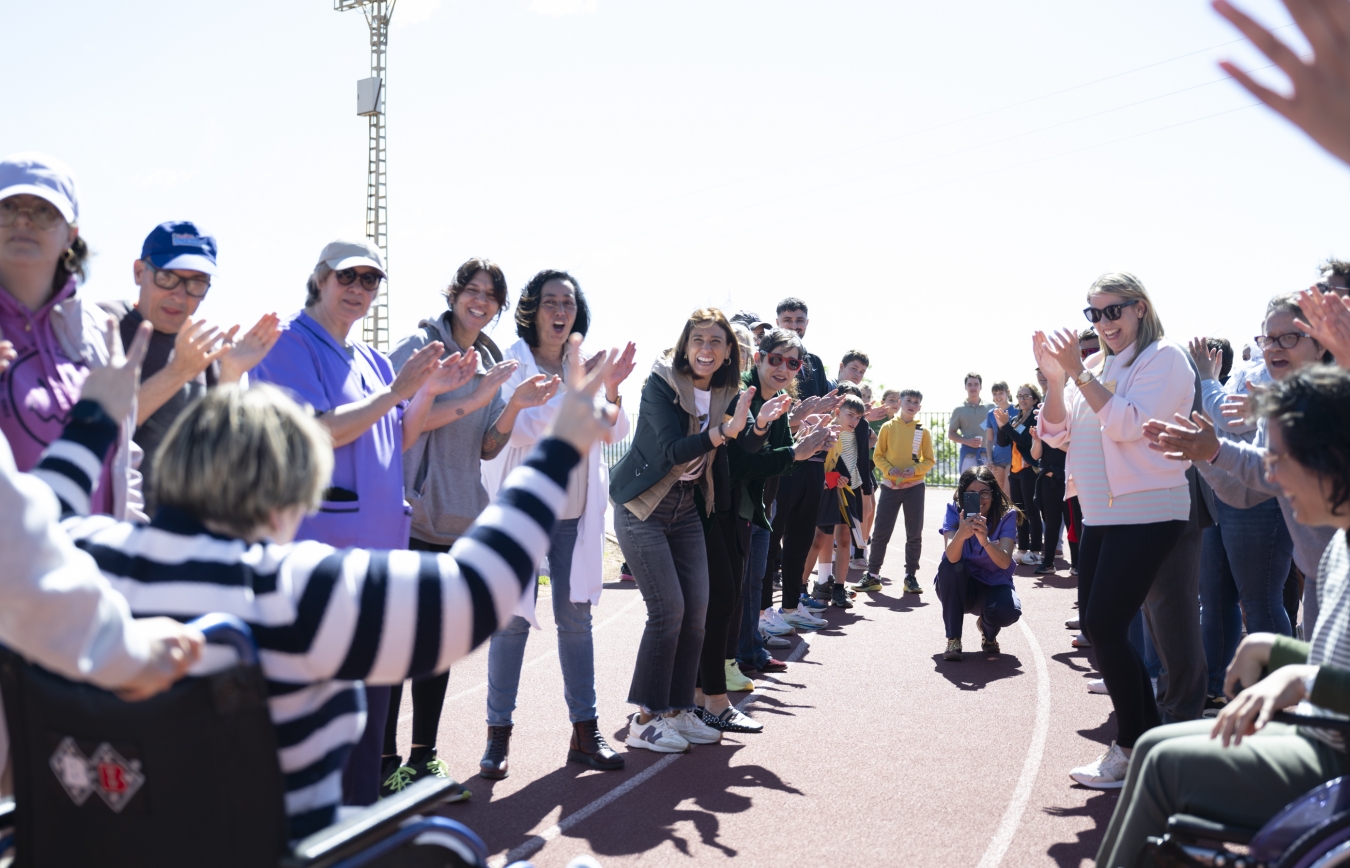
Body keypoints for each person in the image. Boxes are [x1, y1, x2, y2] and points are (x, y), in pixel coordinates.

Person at [35, 337, 620, 843]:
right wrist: (560, 446)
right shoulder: (299, 593)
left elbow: (43, 504)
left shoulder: (79, 557)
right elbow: (476, 591)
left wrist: (95, 417)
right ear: (292, 494)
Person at [1096, 364, 1350, 868]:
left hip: (1334, 754)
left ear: (1332, 457)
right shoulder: (1338, 542)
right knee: (1151, 746)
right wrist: (1281, 650)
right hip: (1322, 730)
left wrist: (1302, 677)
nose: (1270, 474)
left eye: (1280, 457)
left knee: (1167, 763)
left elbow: (1326, 681)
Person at [250, 240, 476, 806]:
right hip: (321, 563)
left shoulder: (372, 361)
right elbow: (320, 430)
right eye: (346, 277)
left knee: (369, 720)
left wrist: (426, 393)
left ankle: (360, 828)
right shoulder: (287, 346)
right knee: (318, 723)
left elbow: (397, 437)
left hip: (378, 561)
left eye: (370, 281)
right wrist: (400, 392)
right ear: (320, 279)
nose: (358, 290)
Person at [0, 321, 204, 796]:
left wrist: (95, 420)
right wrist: (132, 651)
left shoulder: (89, 329)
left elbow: (28, 517)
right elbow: (20, 553)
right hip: (63, 634)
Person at [380, 258, 556, 793]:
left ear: (499, 308)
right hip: (406, 517)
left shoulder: (492, 362)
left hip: (456, 522)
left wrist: (512, 406)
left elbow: (487, 446)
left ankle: (424, 759)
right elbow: (389, 423)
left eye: (490, 295)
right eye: (471, 290)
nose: (480, 301)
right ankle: (384, 761)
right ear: (453, 293)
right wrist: (476, 398)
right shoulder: (419, 347)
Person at [1035, 271, 1197, 789]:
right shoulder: (1099, 368)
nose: (1105, 323)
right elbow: (1055, 433)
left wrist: (1079, 374)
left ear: (1140, 309)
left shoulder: (1165, 358)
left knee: (1107, 628)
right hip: (1101, 513)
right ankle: (1146, 744)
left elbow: (1128, 424)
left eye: (1114, 311)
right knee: (1099, 629)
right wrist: (1057, 380)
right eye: (1095, 313)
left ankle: (1132, 746)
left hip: (1151, 510)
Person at [476, 270, 635, 778]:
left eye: (567, 302)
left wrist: (606, 389)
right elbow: (512, 428)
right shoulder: (511, 363)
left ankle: (585, 734)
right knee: (511, 623)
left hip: (574, 515)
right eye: (549, 302)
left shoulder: (583, 367)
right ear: (532, 309)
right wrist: (577, 401)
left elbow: (614, 426)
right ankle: (497, 737)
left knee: (576, 623)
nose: (559, 311)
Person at [609, 308, 754, 753]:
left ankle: (678, 709)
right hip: (642, 507)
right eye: (698, 340)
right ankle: (646, 718)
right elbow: (672, 449)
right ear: (685, 345)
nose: (706, 349)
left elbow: (738, 444)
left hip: (687, 507)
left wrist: (755, 426)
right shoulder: (661, 384)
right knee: (668, 611)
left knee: (697, 612)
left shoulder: (729, 390)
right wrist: (722, 433)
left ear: (729, 350)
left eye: (716, 341)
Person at [99, 221, 280, 513]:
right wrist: (178, 372)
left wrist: (232, 373)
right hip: (109, 524)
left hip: (180, 529)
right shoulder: (101, 325)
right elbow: (94, 427)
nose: (180, 295)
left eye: (196, 283)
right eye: (166, 277)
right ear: (139, 272)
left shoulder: (206, 350)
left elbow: (218, 455)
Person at [0, 153, 142, 520]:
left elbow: (124, 464)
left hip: (92, 569)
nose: (23, 220)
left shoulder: (99, 330)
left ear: (71, 234)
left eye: (44, 211)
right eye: (8, 206)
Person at [736, 329, 831, 674]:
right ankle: (728, 660)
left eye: (791, 363)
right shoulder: (743, 394)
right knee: (736, 585)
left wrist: (807, 442)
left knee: (754, 580)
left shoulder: (779, 397)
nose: (782, 368)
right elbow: (747, 456)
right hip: (736, 508)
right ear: (759, 357)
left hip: (760, 506)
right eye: (775, 359)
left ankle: (750, 649)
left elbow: (781, 454)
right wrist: (796, 450)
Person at [765, 297, 842, 629]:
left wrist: (823, 414)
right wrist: (798, 421)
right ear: (777, 322)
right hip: (784, 461)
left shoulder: (815, 362)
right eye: (787, 319)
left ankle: (793, 607)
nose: (794, 325)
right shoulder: (769, 363)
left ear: (806, 325)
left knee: (800, 537)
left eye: (799, 320)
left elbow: (821, 408)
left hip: (814, 461)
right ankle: (764, 611)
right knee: (771, 539)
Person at [936, 467, 1022, 661]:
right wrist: (961, 534)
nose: (979, 499)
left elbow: (1004, 561)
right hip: (960, 586)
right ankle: (953, 639)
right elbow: (950, 557)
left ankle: (988, 633)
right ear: (962, 495)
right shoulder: (953, 511)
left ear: (993, 494)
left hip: (993, 584)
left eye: (984, 493)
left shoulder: (1007, 515)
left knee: (1008, 611)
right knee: (952, 567)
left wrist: (985, 541)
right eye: (971, 495)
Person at [859, 389, 934, 595]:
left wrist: (915, 470)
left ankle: (911, 576)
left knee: (914, 533)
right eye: (908, 400)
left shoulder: (922, 431)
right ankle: (873, 575)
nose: (912, 404)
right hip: (890, 487)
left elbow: (929, 460)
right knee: (881, 532)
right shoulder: (887, 427)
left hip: (915, 488)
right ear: (900, 402)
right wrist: (888, 469)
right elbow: (879, 455)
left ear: (920, 407)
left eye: (916, 402)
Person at [808, 392, 868, 608]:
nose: (854, 421)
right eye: (850, 415)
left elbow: (859, 462)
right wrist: (832, 478)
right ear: (837, 412)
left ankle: (839, 589)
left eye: (858, 417)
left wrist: (860, 488)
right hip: (826, 491)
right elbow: (817, 464)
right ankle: (803, 588)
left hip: (847, 489)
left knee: (845, 538)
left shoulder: (859, 432)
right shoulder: (827, 431)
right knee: (818, 539)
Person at [995, 384, 1043, 566]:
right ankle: (1022, 549)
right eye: (1019, 396)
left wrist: (1006, 426)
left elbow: (1023, 441)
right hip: (1015, 471)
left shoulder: (1035, 418)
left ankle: (1036, 551)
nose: (1022, 399)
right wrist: (1002, 426)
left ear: (1035, 399)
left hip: (1029, 469)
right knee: (1019, 513)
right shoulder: (1015, 418)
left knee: (1032, 511)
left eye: (1026, 396)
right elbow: (1002, 442)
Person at [948, 373, 991, 475]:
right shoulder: (958, 410)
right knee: (968, 489)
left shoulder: (991, 407)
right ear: (965, 387)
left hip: (989, 457)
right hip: (968, 456)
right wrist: (967, 441)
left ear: (981, 387)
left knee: (988, 489)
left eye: (976, 384)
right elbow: (951, 434)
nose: (973, 387)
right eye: (970, 384)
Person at [982, 381, 1014, 496]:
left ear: (1008, 392)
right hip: (998, 458)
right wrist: (990, 458)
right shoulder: (991, 413)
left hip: (1013, 457)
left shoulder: (1017, 410)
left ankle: (1011, 515)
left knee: (1009, 493)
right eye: (995, 393)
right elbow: (989, 440)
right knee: (999, 495)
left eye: (1001, 393)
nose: (998, 396)